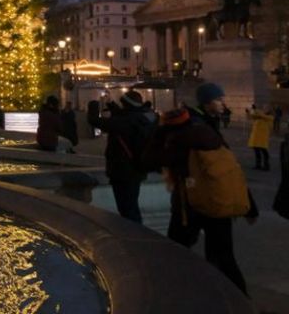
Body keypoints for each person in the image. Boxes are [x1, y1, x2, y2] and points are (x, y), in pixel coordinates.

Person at [143, 83, 258, 295]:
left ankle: (179, 293)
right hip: (200, 200)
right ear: (207, 102)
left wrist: (161, 131)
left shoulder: (194, 125)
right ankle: (236, 300)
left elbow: (153, 159)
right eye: (218, 99)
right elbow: (229, 168)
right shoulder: (197, 129)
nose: (223, 103)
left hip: (194, 199)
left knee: (183, 250)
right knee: (217, 255)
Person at [89, 91, 155, 223]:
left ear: (125, 104)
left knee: (127, 209)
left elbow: (94, 120)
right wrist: (117, 111)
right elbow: (129, 118)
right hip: (138, 168)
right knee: (131, 204)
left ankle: (135, 237)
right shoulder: (146, 118)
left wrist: (93, 103)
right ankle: (137, 235)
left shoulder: (123, 122)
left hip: (121, 169)